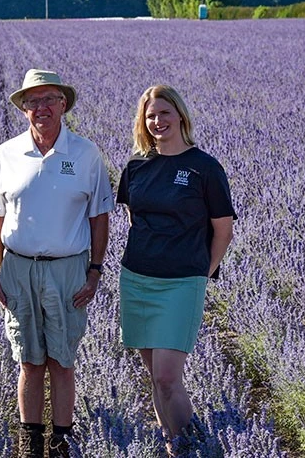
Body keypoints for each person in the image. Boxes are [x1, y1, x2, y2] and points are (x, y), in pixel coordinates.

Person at [0, 69, 113, 458]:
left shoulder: (86, 154)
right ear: (23, 110)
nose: (41, 108)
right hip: (18, 268)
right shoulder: (6, 154)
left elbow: (99, 215)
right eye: (33, 102)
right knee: (28, 361)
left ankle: (62, 441)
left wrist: (95, 269)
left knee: (62, 360)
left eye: (49, 99)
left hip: (68, 268)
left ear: (64, 104)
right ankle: (31, 441)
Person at [116, 85, 236, 456]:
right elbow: (133, 217)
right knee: (155, 377)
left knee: (169, 377)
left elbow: (223, 229)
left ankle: (196, 448)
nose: (157, 121)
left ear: (180, 115)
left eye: (164, 113)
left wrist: (203, 273)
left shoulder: (204, 167)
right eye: (150, 116)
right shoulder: (136, 166)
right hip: (137, 278)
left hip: (182, 282)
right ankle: (172, 445)